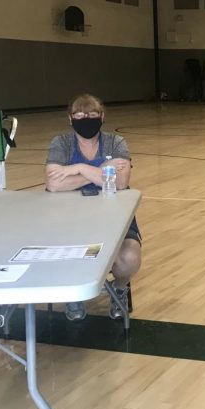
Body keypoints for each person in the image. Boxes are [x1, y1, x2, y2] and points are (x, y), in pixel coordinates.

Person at [45, 94, 141, 321]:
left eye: (91, 115)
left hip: (114, 217)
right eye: (79, 115)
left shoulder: (116, 143)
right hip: (69, 219)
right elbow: (54, 183)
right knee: (67, 253)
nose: (85, 119)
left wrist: (78, 168)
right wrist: (103, 169)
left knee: (129, 258)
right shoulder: (61, 143)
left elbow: (121, 183)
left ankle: (119, 288)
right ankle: (73, 294)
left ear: (102, 116)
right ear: (70, 118)